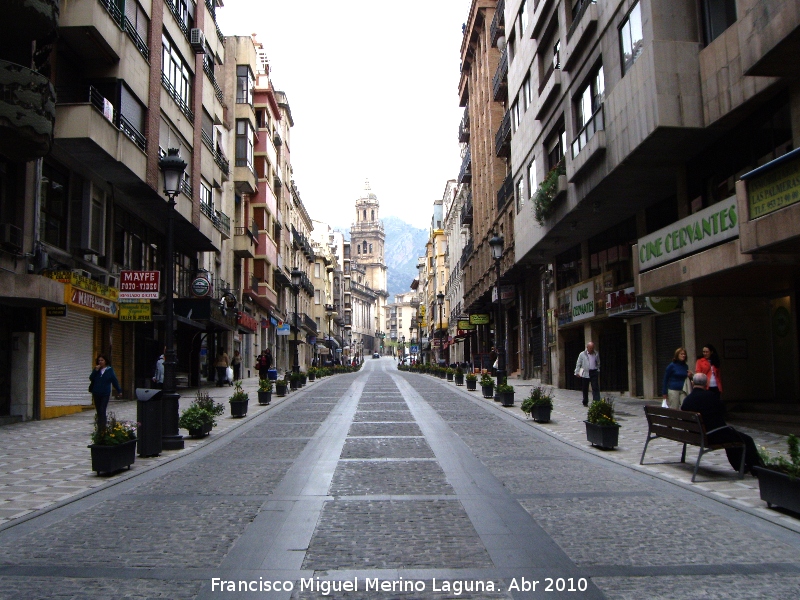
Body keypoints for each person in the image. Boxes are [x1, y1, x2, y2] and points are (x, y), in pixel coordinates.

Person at [681, 373, 763, 475]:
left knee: (730, 435)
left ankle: (739, 466)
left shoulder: (687, 400)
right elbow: (723, 412)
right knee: (746, 439)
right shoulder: (711, 397)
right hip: (712, 435)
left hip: (697, 435)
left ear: (693, 383)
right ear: (706, 383)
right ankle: (757, 470)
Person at [89, 354, 122, 430]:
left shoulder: (109, 370)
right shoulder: (97, 370)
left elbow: (114, 381)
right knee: (98, 410)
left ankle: (103, 427)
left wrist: (119, 390)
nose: (100, 362)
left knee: (102, 409)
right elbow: (91, 378)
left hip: (105, 393)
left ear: (105, 361)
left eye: (102, 360)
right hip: (96, 392)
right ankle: (99, 426)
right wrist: (95, 371)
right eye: (99, 360)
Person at [575, 341, 601, 407]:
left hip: (594, 372)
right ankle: (585, 401)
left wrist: (597, 369)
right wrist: (577, 372)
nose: (592, 349)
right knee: (585, 388)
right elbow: (578, 363)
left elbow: (598, 362)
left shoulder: (596, 354)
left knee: (595, 387)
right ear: (587, 348)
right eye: (590, 348)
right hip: (585, 373)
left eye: (592, 348)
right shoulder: (582, 354)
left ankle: (596, 401)